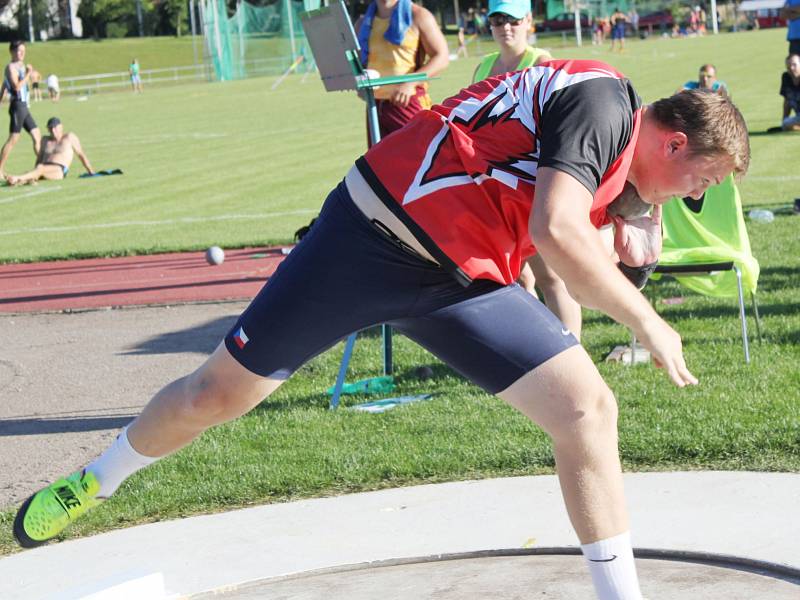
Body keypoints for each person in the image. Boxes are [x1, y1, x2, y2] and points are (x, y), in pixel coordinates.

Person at [13, 62, 749, 600]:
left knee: (588, 409)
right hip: (368, 240)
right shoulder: (604, 101)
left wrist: (620, 233)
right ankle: (96, 481)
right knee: (213, 395)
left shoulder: (611, 164)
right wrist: (649, 321)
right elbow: (554, 228)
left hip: (456, 278)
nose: (694, 198)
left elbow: (554, 235)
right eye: (702, 183)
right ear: (677, 144)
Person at [472, 0, 584, 336]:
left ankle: (572, 351)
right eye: (498, 19)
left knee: (551, 276)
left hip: (533, 183)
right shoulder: (484, 65)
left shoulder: (542, 61)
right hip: (494, 185)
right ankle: (539, 348)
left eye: (513, 20)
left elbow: (550, 125)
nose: (505, 27)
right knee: (517, 277)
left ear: (529, 21)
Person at [355, 0, 449, 139]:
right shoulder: (362, 23)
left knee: (422, 157)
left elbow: (441, 57)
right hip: (375, 106)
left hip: (408, 102)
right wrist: (360, 84)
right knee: (378, 160)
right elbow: (359, 65)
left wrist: (411, 83)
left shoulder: (418, 15)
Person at [5, 117, 94, 185]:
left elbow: (81, 155)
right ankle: (18, 181)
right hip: (43, 168)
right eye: (50, 128)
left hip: (59, 170)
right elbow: (39, 158)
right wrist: (34, 171)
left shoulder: (69, 137)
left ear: (61, 127)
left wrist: (91, 172)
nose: (53, 130)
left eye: (55, 128)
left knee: (40, 169)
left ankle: (17, 178)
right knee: (31, 172)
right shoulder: (45, 140)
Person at [0, 41, 41, 180]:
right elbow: (16, 87)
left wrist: (30, 76)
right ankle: (0, 169)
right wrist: (29, 74)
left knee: (37, 135)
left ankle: (41, 167)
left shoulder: (21, 66)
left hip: (24, 106)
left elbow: (5, 86)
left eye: (24, 50)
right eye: (19, 51)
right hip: (17, 106)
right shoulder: (10, 67)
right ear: (11, 52)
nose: (22, 53)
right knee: (13, 139)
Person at [779, 54, 800, 131]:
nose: (791, 68)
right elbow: (787, 100)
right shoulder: (786, 78)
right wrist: (784, 119)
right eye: (789, 65)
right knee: (786, 123)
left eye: (794, 65)